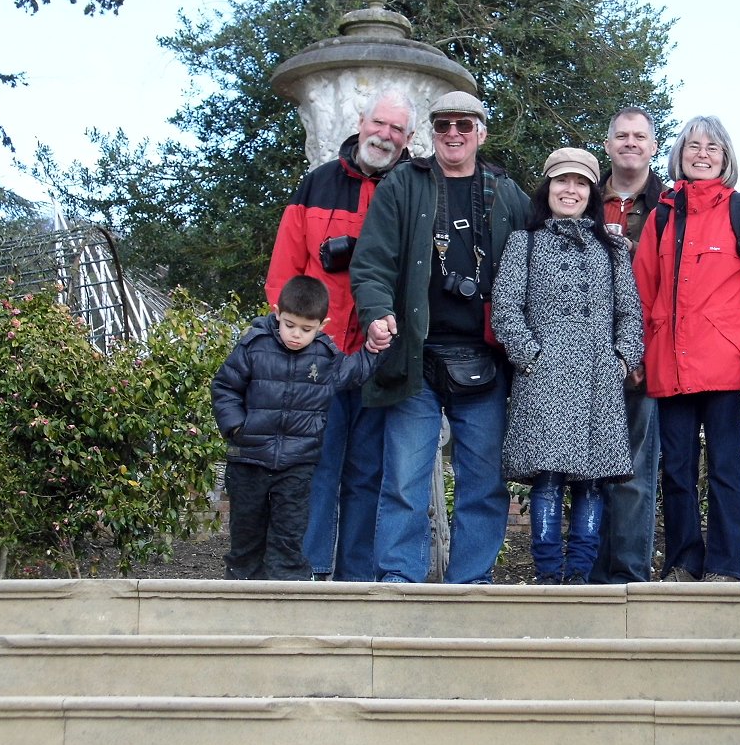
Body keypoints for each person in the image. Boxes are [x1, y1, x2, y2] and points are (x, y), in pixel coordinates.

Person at [349, 90, 530, 583]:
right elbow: (372, 262)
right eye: (444, 125)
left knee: (484, 482)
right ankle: (399, 580)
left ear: (481, 132)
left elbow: (541, 261)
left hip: (485, 360)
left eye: (464, 125)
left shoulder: (506, 192)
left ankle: (471, 581)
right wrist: (377, 312)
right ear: (432, 132)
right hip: (415, 355)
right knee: (404, 480)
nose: (453, 133)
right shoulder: (404, 184)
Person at [265, 89, 415, 581]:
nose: (385, 135)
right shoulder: (317, 184)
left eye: (396, 129)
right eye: (379, 123)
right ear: (361, 120)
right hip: (320, 362)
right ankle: (306, 573)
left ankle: (357, 579)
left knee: (369, 474)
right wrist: (294, 341)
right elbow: (284, 274)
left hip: (378, 358)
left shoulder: (416, 188)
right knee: (316, 470)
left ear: (408, 138)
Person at [632, 116, 740, 582]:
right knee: (676, 471)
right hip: (669, 367)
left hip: (726, 365)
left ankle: (725, 566)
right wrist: (638, 355)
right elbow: (643, 293)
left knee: (725, 470)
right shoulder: (662, 216)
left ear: (726, 159)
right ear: (679, 154)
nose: (702, 154)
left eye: (712, 148)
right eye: (693, 146)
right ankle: (684, 561)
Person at [491, 147, 644, 584]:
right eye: (562, 181)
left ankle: (578, 573)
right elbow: (506, 307)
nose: (570, 190)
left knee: (592, 482)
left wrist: (620, 359)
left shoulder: (612, 248)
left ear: (592, 192)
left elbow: (629, 312)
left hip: (599, 378)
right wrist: (530, 355)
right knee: (548, 478)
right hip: (543, 379)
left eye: (580, 183)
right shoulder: (525, 242)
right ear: (548, 187)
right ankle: (546, 573)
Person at [211, 275, 388, 581]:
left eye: (306, 329)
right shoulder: (253, 346)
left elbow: (354, 373)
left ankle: (288, 594)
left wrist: (374, 350)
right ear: (277, 313)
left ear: (322, 325)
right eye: (289, 325)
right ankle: (241, 592)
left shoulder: (326, 356)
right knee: (246, 533)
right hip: (249, 459)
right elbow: (225, 387)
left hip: (298, 463)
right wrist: (236, 427)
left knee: (289, 536)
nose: (296, 335)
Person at [589, 107, 666, 584]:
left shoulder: (670, 206)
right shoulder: (581, 198)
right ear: (609, 144)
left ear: (654, 147)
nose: (631, 143)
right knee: (584, 469)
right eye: (622, 136)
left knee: (635, 471)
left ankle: (628, 576)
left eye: (640, 136)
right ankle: (585, 575)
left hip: (645, 356)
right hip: (583, 358)